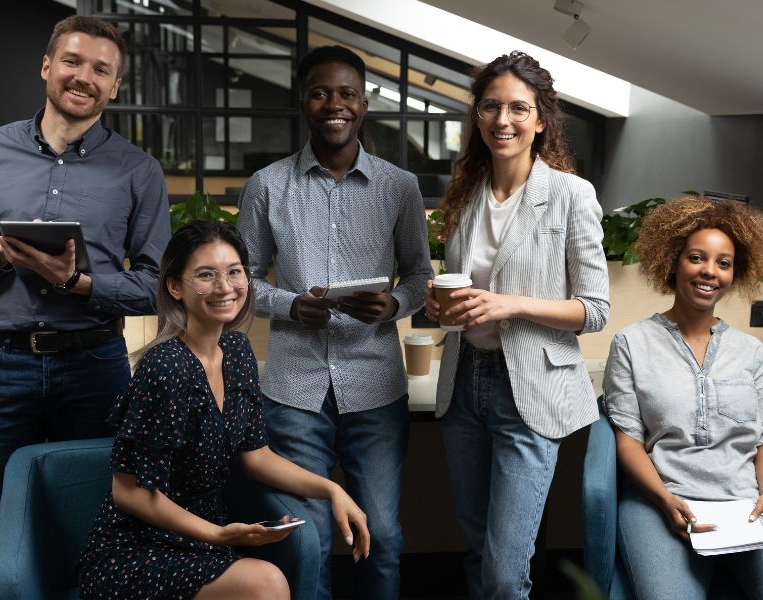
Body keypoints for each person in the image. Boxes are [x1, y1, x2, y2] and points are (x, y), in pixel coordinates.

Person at [0, 15, 170, 598]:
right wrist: (3, 255)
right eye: (73, 62)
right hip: (0, 368)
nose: (85, 77)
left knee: (98, 520)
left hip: (95, 366)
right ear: (47, 67)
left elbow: (157, 285)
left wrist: (79, 282)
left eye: (101, 69)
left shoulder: (139, 171)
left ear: (116, 86)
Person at [77, 220, 369, 599]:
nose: (225, 287)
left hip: (203, 538)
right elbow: (128, 493)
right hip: (135, 548)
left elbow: (257, 457)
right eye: (206, 275)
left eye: (234, 272)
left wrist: (332, 490)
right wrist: (216, 533)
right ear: (174, 286)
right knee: (267, 583)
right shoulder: (166, 366)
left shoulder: (237, 352)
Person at [237, 45, 433, 599]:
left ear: (364, 103)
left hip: (375, 383)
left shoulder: (400, 186)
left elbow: (420, 275)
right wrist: (292, 305)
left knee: (385, 535)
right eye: (321, 93)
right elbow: (243, 280)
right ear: (304, 102)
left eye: (346, 93)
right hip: (294, 388)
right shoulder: (268, 185)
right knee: (311, 539)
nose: (334, 104)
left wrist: (392, 304)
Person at [424, 51, 610, 599]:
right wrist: (442, 309)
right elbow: (465, 291)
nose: (502, 120)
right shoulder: (464, 196)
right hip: (464, 386)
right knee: (479, 549)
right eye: (490, 107)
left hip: (529, 391)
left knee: (507, 571)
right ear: (477, 116)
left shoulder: (570, 195)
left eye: (517, 108)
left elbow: (593, 309)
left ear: (541, 119)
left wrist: (509, 304)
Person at [602, 196, 763, 600]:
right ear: (674, 261)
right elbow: (628, 439)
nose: (710, 272)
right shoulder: (631, 343)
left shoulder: (752, 352)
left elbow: (760, 440)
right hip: (662, 501)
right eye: (697, 258)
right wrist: (663, 498)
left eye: (723, 263)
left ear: (734, 273)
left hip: (744, 506)